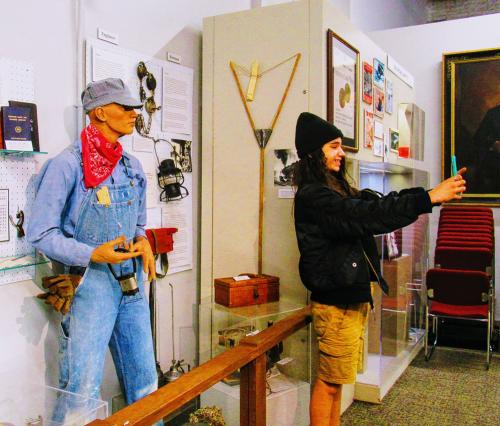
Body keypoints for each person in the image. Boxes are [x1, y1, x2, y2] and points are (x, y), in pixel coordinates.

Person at [292, 112, 466, 426]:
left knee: (335, 382)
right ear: (313, 152)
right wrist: (428, 197)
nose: (341, 153)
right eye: (334, 147)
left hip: (347, 299)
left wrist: (429, 197)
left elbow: (380, 202)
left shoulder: (334, 191)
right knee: (330, 383)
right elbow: (367, 214)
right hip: (336, 304)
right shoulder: (314, 197)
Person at [27, 78, 158, 419]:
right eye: (125, 107)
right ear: (99, 113)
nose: (133, 113)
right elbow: (40, 234)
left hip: (131, 285)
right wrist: (92, 254)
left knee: (146, 383)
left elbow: (139, 224)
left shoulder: (131, 166)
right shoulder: (66, 166)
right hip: (89, 285)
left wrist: (143, 240)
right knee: (81, 389)